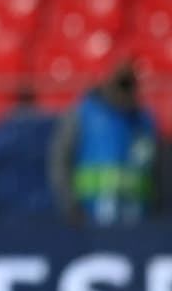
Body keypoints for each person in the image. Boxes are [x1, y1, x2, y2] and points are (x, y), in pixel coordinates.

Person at [49, 61, 159, 227]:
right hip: (89, 215)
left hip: (136, 217)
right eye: (121, 84)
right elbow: (60, 160)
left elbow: (155, 168)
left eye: (129, 85)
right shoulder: (83, 114)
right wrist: (70, 203)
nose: (124, 91)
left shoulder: (145, 120)